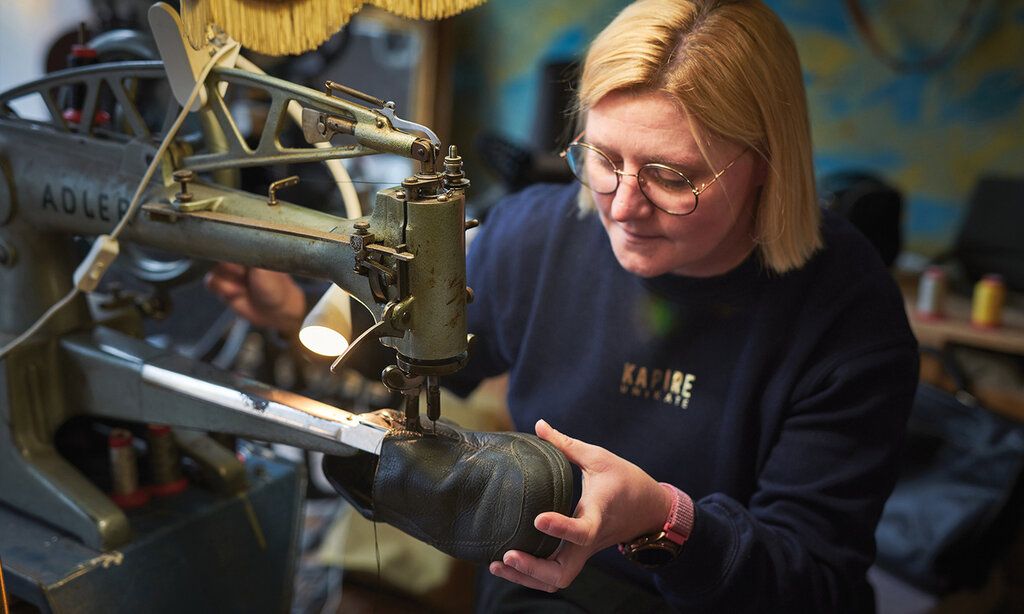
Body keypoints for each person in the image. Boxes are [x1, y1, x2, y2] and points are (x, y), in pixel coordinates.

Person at [207, 0, 919, 611]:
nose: (622, 205)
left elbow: (814, 584)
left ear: (765, 162)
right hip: (545, 589)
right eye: (603, 158)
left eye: (672, 176)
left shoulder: (848, 315)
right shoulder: (538, 234)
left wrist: (664, 521)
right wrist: (290, 304)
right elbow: (417, 344)